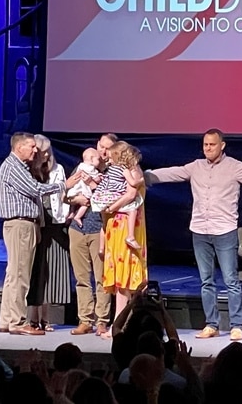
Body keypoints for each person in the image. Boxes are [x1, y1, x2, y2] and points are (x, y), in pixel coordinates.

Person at [145, 128, 242, 341]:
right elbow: (171, 173)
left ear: (222, 145)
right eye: (205, 144)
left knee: (231, 280)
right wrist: (144, 176)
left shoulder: (234, 167)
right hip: (200, 230)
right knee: (206, 281)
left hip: (224, 231)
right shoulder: (196, 166)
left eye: (212, 144)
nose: (208, 148)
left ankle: (236, 325)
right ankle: (211, 324)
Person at [0, 132, 81, 336]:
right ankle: (17, 322)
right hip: (20, 225)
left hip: (24, 225)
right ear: (19, 147)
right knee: (20, 275)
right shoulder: (13, 166)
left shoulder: (20, 166)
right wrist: (64, 185)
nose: (35, 150)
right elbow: (35, 189)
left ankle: (7, 320)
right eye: (31, 146)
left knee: (14, 274)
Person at [67, 133, 116, 336]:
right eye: (101, 146)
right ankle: (85, 319)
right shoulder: (83, 167)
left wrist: (93, 186)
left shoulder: (113, 172)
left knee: (102, 278)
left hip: (99, 230)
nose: (103, 151)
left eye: (108, 148)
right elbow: (65, 193)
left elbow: (110, 199)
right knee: (81, 278)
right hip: (77, 229)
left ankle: (102, 320)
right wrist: (75, 199)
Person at [99, 142, 148, 337]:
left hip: (124, 226)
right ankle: (124, 324)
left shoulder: (132, 171)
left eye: (112, 156)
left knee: (124, 279)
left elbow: (131, 194)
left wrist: (111, 207)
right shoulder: (124, 171)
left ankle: (118, 326)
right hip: (118, 225)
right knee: (122, 280)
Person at [27, 134, 73, 332]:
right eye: (42, 152)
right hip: (38, 223)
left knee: (50, 272)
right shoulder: (28, 170)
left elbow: (63, 195)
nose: (45, 156)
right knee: (36, 271)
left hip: (55, 223)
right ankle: (32, 317)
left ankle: (45, 318)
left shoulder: (58, 169)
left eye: (48, 152)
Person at [92, 141, 144, 251]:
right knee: (132, 210)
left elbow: (130, 193)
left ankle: (101, 248)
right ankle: (130, 236)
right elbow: (132, 189)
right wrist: (141, 180)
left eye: (111, 158)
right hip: (118, 216)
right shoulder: (124, 170)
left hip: (105, 199)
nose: (109, 161)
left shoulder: (111, 169)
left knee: (104, 225)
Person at [67, 148, 102, 227]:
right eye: (98, 159)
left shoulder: (80, 166)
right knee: (85, 203)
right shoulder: (91, 168)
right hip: (84, 189)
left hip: (76, 188)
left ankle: (72, 212)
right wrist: (99, 178)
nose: (99, 161)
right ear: (92, 159)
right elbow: (95, 178)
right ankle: (78, 216)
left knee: (73, 201)